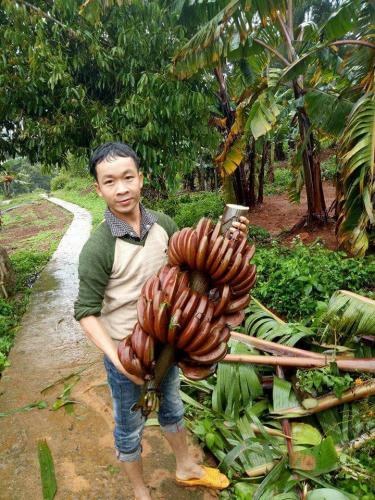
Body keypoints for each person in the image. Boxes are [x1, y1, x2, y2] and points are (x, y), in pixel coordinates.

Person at [74, 142, 249, 499]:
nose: (121, 189)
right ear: (98, 188)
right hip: (128, 352)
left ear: (141, 178)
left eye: (127, 177)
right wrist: (118, 361)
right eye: (110, 182)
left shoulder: (164, 226)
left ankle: (185, 466)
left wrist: (229, 243)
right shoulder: (99, 247)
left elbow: (195, 269)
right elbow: (86, 312)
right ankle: (140, 492)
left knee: (171, 405)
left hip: (170, 341)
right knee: (129, 425)